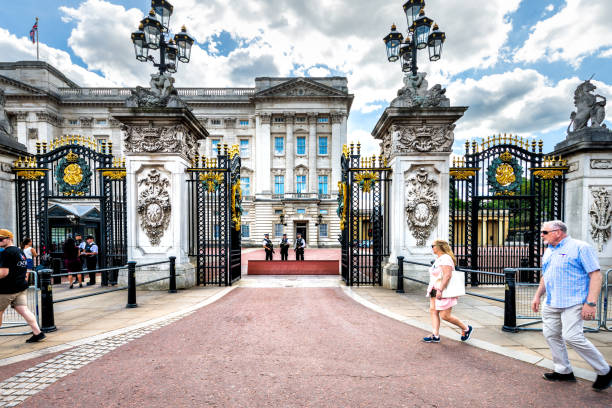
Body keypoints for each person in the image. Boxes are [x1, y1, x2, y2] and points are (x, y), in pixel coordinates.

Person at [531, 220, 611, 391]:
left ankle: (604, 371)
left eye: (545, 232)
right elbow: (546, 275)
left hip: (573, 302)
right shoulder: (549, 251)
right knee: (551, 335)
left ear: (558, 232)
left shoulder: (581, 247)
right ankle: (563, 371)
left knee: (573, 336)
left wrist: (591, 303)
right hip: (552, 301)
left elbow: (596, 276)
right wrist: (538, 295)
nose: (542, 235)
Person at [0, 229, 46, 343]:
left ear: (9, 238)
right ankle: (38, 333)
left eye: (1, 239)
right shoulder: (19, 251)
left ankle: (38, 333)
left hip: (7, 289)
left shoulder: (6, 253)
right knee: (24, 310)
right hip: (20, 287)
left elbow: (3, 273)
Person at [423, 239, 472, 343]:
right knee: (433, 311)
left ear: (439, 247)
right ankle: (435, 335)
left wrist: (440, 289)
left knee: (445, 316)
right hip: (434, 289)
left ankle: (466, 328)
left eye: (433, 246)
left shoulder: (446, 258)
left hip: (443, 291)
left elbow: (447, 275)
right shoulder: (439, 259)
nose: (432, 248)